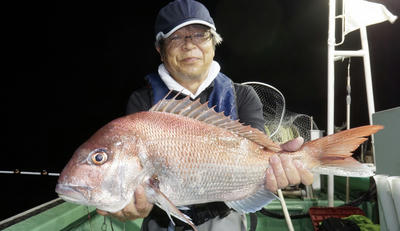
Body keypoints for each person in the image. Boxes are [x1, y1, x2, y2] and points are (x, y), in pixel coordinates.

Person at [97, 0, 314, 230]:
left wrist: (283, 166)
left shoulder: (243, 96)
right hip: (165, 221)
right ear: (160, 49)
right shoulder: (142, 101)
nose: (190, 45)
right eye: (176, 37)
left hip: (226, 216)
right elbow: (139, 182)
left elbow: (261, 157)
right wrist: (134, 204)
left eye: (200, 35)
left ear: (213, 42)